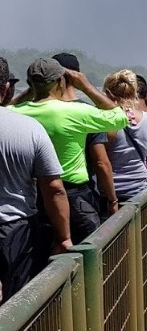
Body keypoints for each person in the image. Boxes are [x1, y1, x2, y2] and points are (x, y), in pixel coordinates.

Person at [13, 57, 127, 243]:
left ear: (30, 84)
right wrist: (87, 87)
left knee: (46, 258)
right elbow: (119, 117)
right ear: (61, 81)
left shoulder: (18, 112)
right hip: (75, 197)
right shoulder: (74, 112)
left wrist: (31, 91)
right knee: (88, 251)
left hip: (34, 199)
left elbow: (4, 108)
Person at [0, 67, 71, 300]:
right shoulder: (29, 128)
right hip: (15, 230)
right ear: (7, 88)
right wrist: (64, 238)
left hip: (16, 229)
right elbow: (54, 189)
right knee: (19, 300)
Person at [88, 70, 147, 214]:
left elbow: (100, 162)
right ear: (134, 93)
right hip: (139, 189)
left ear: (109, 93)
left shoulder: (107, 122)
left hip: (112, 193)